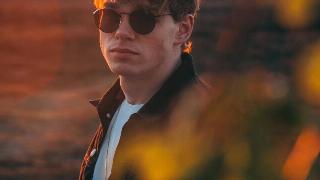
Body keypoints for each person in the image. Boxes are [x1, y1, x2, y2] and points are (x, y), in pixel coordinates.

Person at [79, 0, 206, 179]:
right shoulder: (112, 109)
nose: (122, 33)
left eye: (144, 19)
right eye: (110, 17)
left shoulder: (203, 127)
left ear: (183, 29)